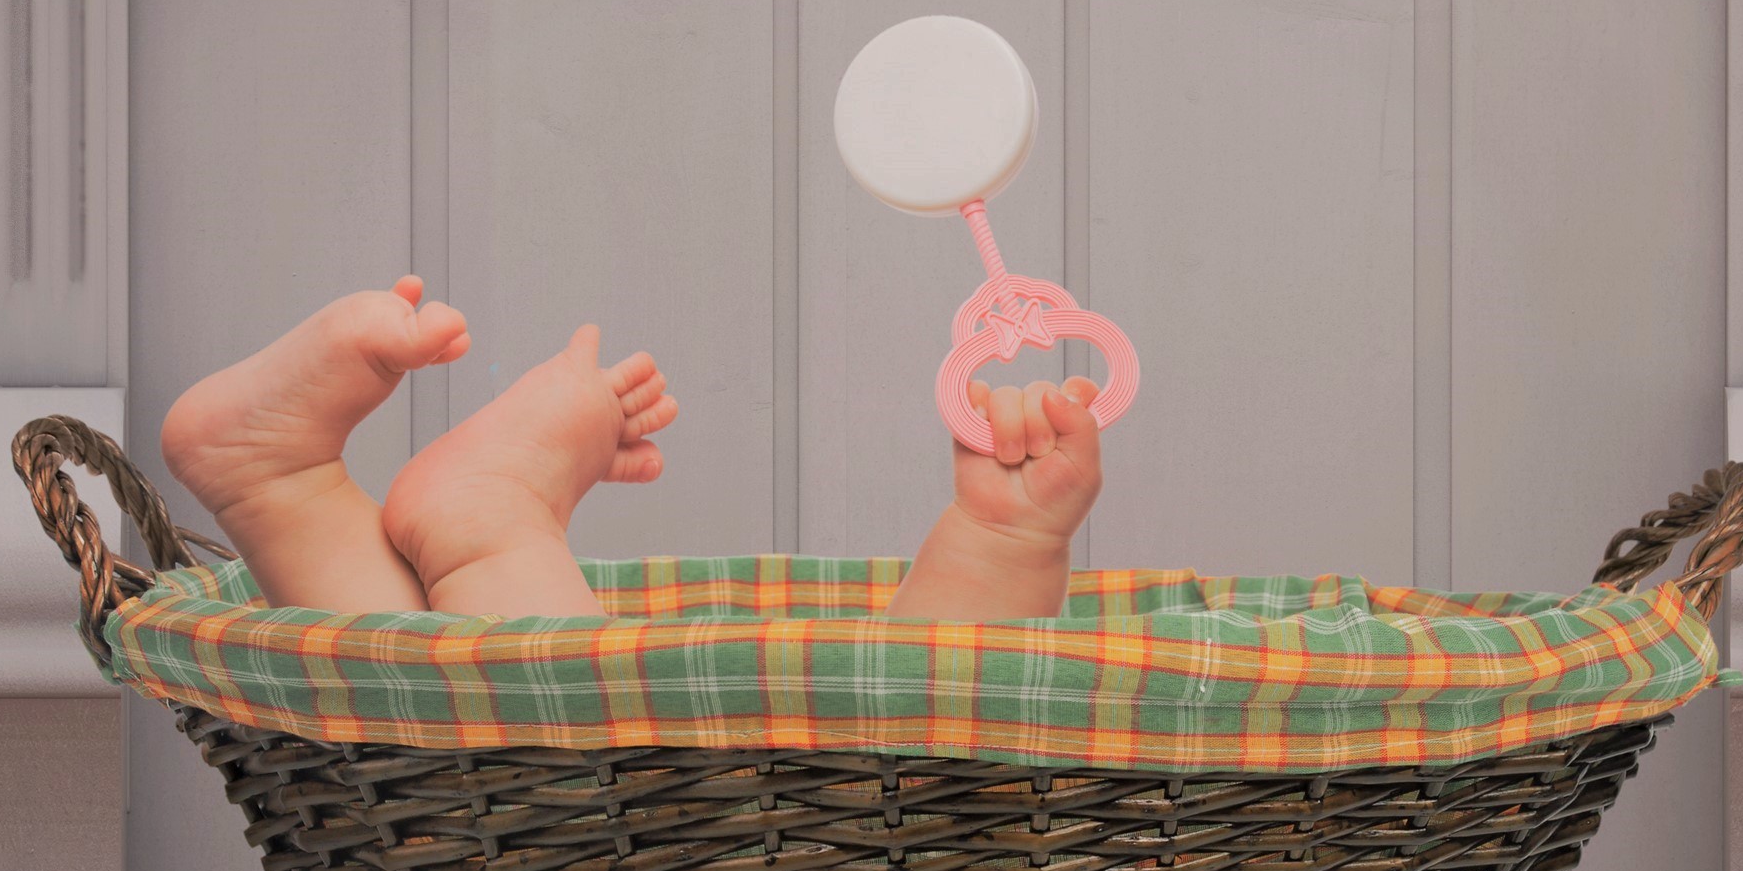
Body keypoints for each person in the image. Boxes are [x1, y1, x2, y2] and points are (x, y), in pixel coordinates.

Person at [160, 277, 1103, 623]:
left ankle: (283, 489)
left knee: (428, 708)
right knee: (573, 753)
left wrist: (1002, 537)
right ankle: (487, 524)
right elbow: (928, 737)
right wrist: (1002, 547)